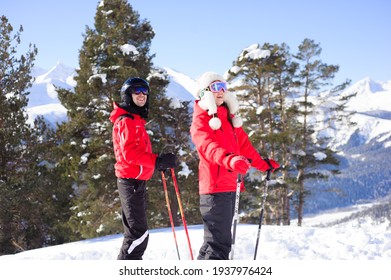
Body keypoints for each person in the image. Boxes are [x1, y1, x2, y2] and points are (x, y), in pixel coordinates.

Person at [190, 72, 280, 260]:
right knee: (219, 246)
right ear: (205, 92)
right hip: (214, 189)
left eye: (223, 87)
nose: (221, 91)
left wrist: (263, 165)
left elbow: (244, 146)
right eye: (215, 87)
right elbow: (208, 147)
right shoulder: (201, 121)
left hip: (229, 186)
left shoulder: (228, 118)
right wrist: (230, 159)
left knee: (213, 244)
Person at [110, 77, 178, 260]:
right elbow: (130, 154)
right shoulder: (127, 120)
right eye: (136, 91)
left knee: (137, 234)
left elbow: (137, 153)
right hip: (130, 182)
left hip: (136, 182)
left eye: (144, 92)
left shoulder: (135, 119)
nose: (141, 95)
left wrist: (159, 162)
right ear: (127, 95)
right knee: (137, 236)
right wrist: (157, 161)